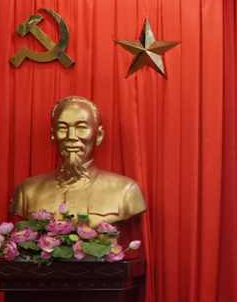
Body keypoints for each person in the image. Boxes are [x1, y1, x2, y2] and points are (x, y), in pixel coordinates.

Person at [9, 96, 147, 227]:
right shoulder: (27, 191)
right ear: (53, 135)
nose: (71, 136)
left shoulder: (126, 191)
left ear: (99, 136)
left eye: (81, 128)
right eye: (62, 128)